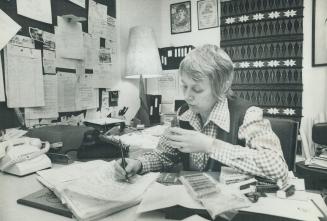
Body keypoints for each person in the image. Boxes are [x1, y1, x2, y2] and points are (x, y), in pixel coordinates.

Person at [114, 44, 289, 185]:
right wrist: (139, 164)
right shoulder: (183, 114)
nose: (188, 95)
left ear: (222, 87)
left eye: (197, 89)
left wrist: (210, 145)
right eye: (184, 86)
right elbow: (164, 155)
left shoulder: (247, 115)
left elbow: (277, 167)